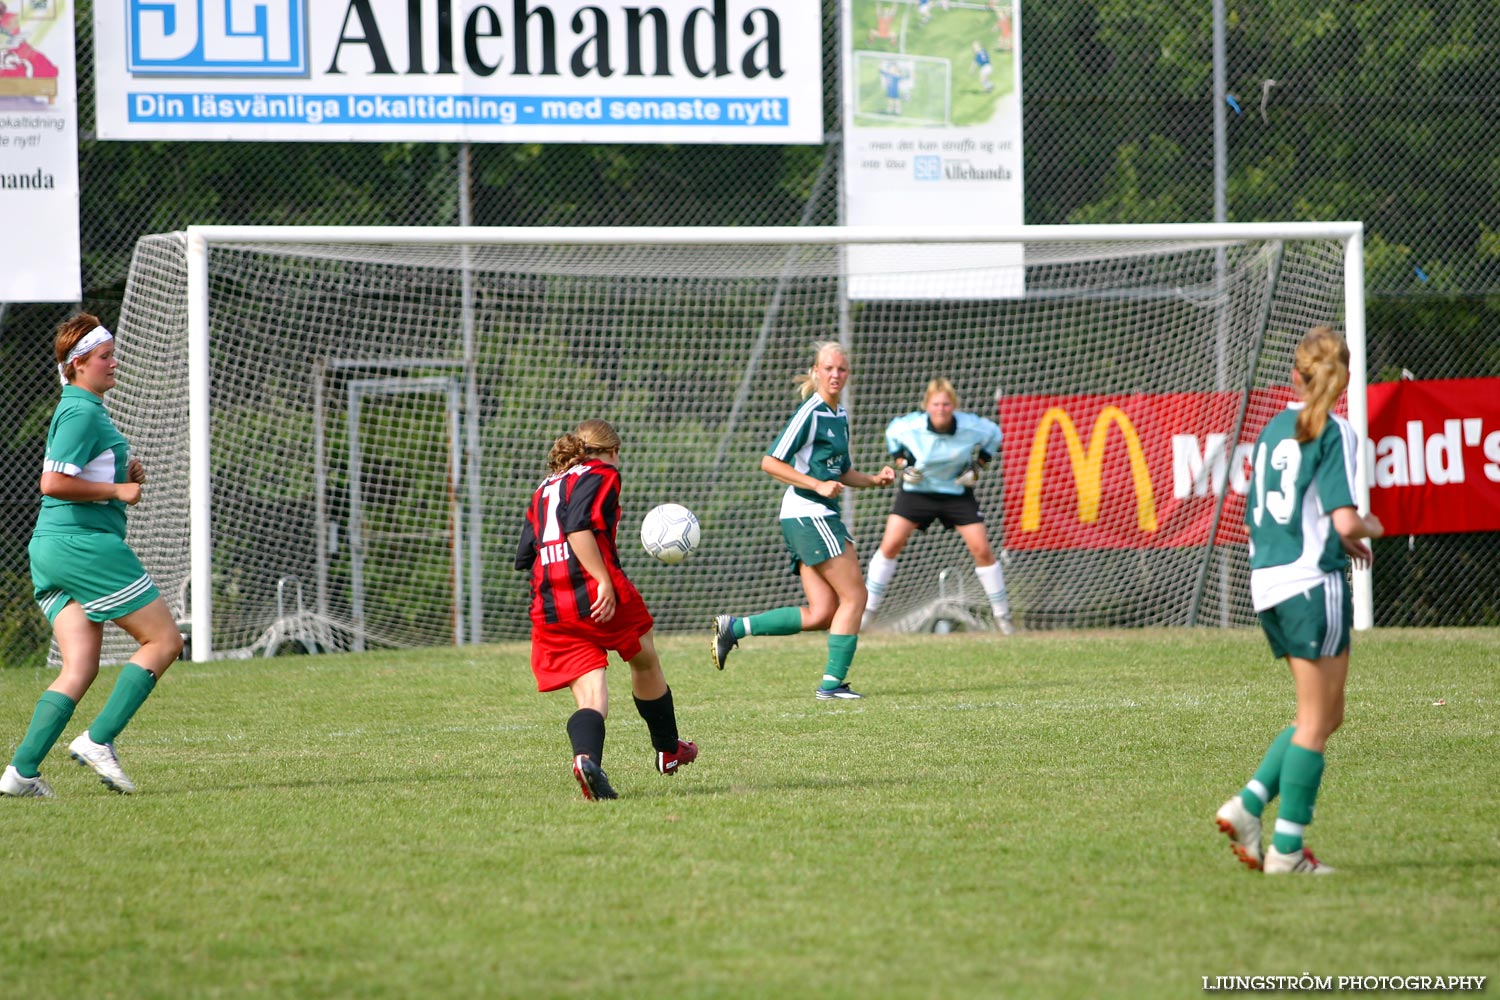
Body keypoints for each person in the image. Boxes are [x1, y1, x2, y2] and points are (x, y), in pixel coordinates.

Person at [1214, 326, 1384, 874]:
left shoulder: (1270, 430)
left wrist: (1338, 534)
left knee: (1327, 714)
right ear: (1348, 377)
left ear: (1296, 374)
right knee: (1316, 719)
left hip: (1267, 581)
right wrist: (1369, 526)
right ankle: (1286, 850)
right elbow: (1344, 517)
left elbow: (1274, 514)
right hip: (1312, 584)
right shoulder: (1335, 430)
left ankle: (1250, 805)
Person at [1, 314, 183, 798]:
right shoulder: (81, 410)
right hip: (83, 546)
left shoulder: (83, 406)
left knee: (79, 667)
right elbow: (53, 482)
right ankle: (98, 740)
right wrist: (118, 489)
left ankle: (21, 774)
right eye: (105, 356)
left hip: (52, 549)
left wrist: (125, 469)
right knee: (164, 642)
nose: (113, 361)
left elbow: (79, 469)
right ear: (79, 364)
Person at [515, 419, 697, 801]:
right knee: (644, 660)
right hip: (594, 590)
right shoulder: (601, 473)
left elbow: (525, 553)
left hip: (550, 603)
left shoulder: (546, 485)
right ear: (611, 451)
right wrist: (603, 580)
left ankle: (586, 760)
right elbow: (578, 527)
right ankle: (667, 748)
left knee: (591, 695)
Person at [711, 342, 896, 699]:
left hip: (810, 515)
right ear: (815, 371)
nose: (835, 375)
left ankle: (734, 628)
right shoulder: (810, 411)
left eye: (841, 369)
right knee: (855, 595)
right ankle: (832, 685)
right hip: (809, 514)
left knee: (822, 612)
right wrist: (816, 484)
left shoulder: (838, 415)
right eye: (828, 368)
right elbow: (771, 461)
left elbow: (840, 471)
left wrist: (874, 480)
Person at [862, 378, 1013, 634]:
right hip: (918, 492)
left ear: (953, 405)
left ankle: (1003, 618)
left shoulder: (972, 426)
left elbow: (995, 436)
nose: (941, 409)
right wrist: (903, 463)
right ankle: (867, 613)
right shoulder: (911, 427)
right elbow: (892, 434)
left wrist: (978, 466)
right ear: (927, 406)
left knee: (982, 549)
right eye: (936, 404)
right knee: (890, 544)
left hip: (956, 492)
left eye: (946, 404)